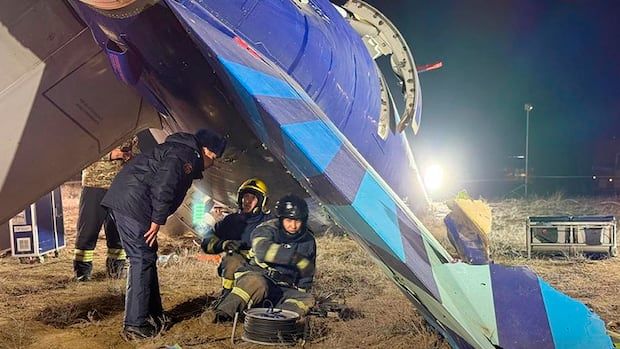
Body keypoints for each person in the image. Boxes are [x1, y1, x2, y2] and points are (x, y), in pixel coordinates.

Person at [101, 128, 226, 340]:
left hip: (131, 201)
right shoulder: (184, 155)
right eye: (214, 156)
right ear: (206, 150)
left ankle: (153, 315)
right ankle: (135, 325)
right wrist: (157, 220)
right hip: (133, 204)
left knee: (147, 257)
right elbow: (164, 185)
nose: (214, 162)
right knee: (140, 259)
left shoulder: (180, 151)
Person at [210, 194, 316, 322]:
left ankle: (275, 322)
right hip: (258, 275)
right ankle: (221, 313)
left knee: (307, 299)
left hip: (283, 287)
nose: (293, 226)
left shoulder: (309, 241)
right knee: (256, 282)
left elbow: (306, 273)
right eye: (289, 220)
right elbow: (262, 250)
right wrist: (294, 258)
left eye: (297, 221)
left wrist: (302, 290)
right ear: (281, 219)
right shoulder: (267, 229)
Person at [73, 136, 139, 281]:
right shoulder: (95, 130)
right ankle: (82, 274)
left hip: (119, 187)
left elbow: (137, 154)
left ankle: (116, 271)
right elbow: (83, 151)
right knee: (88, 230)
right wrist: (112, 155)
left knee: (117, 232)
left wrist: (132, 157)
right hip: (94, 185)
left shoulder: (130, 132)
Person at [201, 178, 272, 300]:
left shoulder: (270, 222)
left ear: (261, 202)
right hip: (237, 266)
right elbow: (207, 242)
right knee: (232, 260)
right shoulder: (231, 221)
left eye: (252, 198)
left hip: (263, 269)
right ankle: (226, 294)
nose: (247, 201)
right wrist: (224, 245)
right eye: (246, 197)